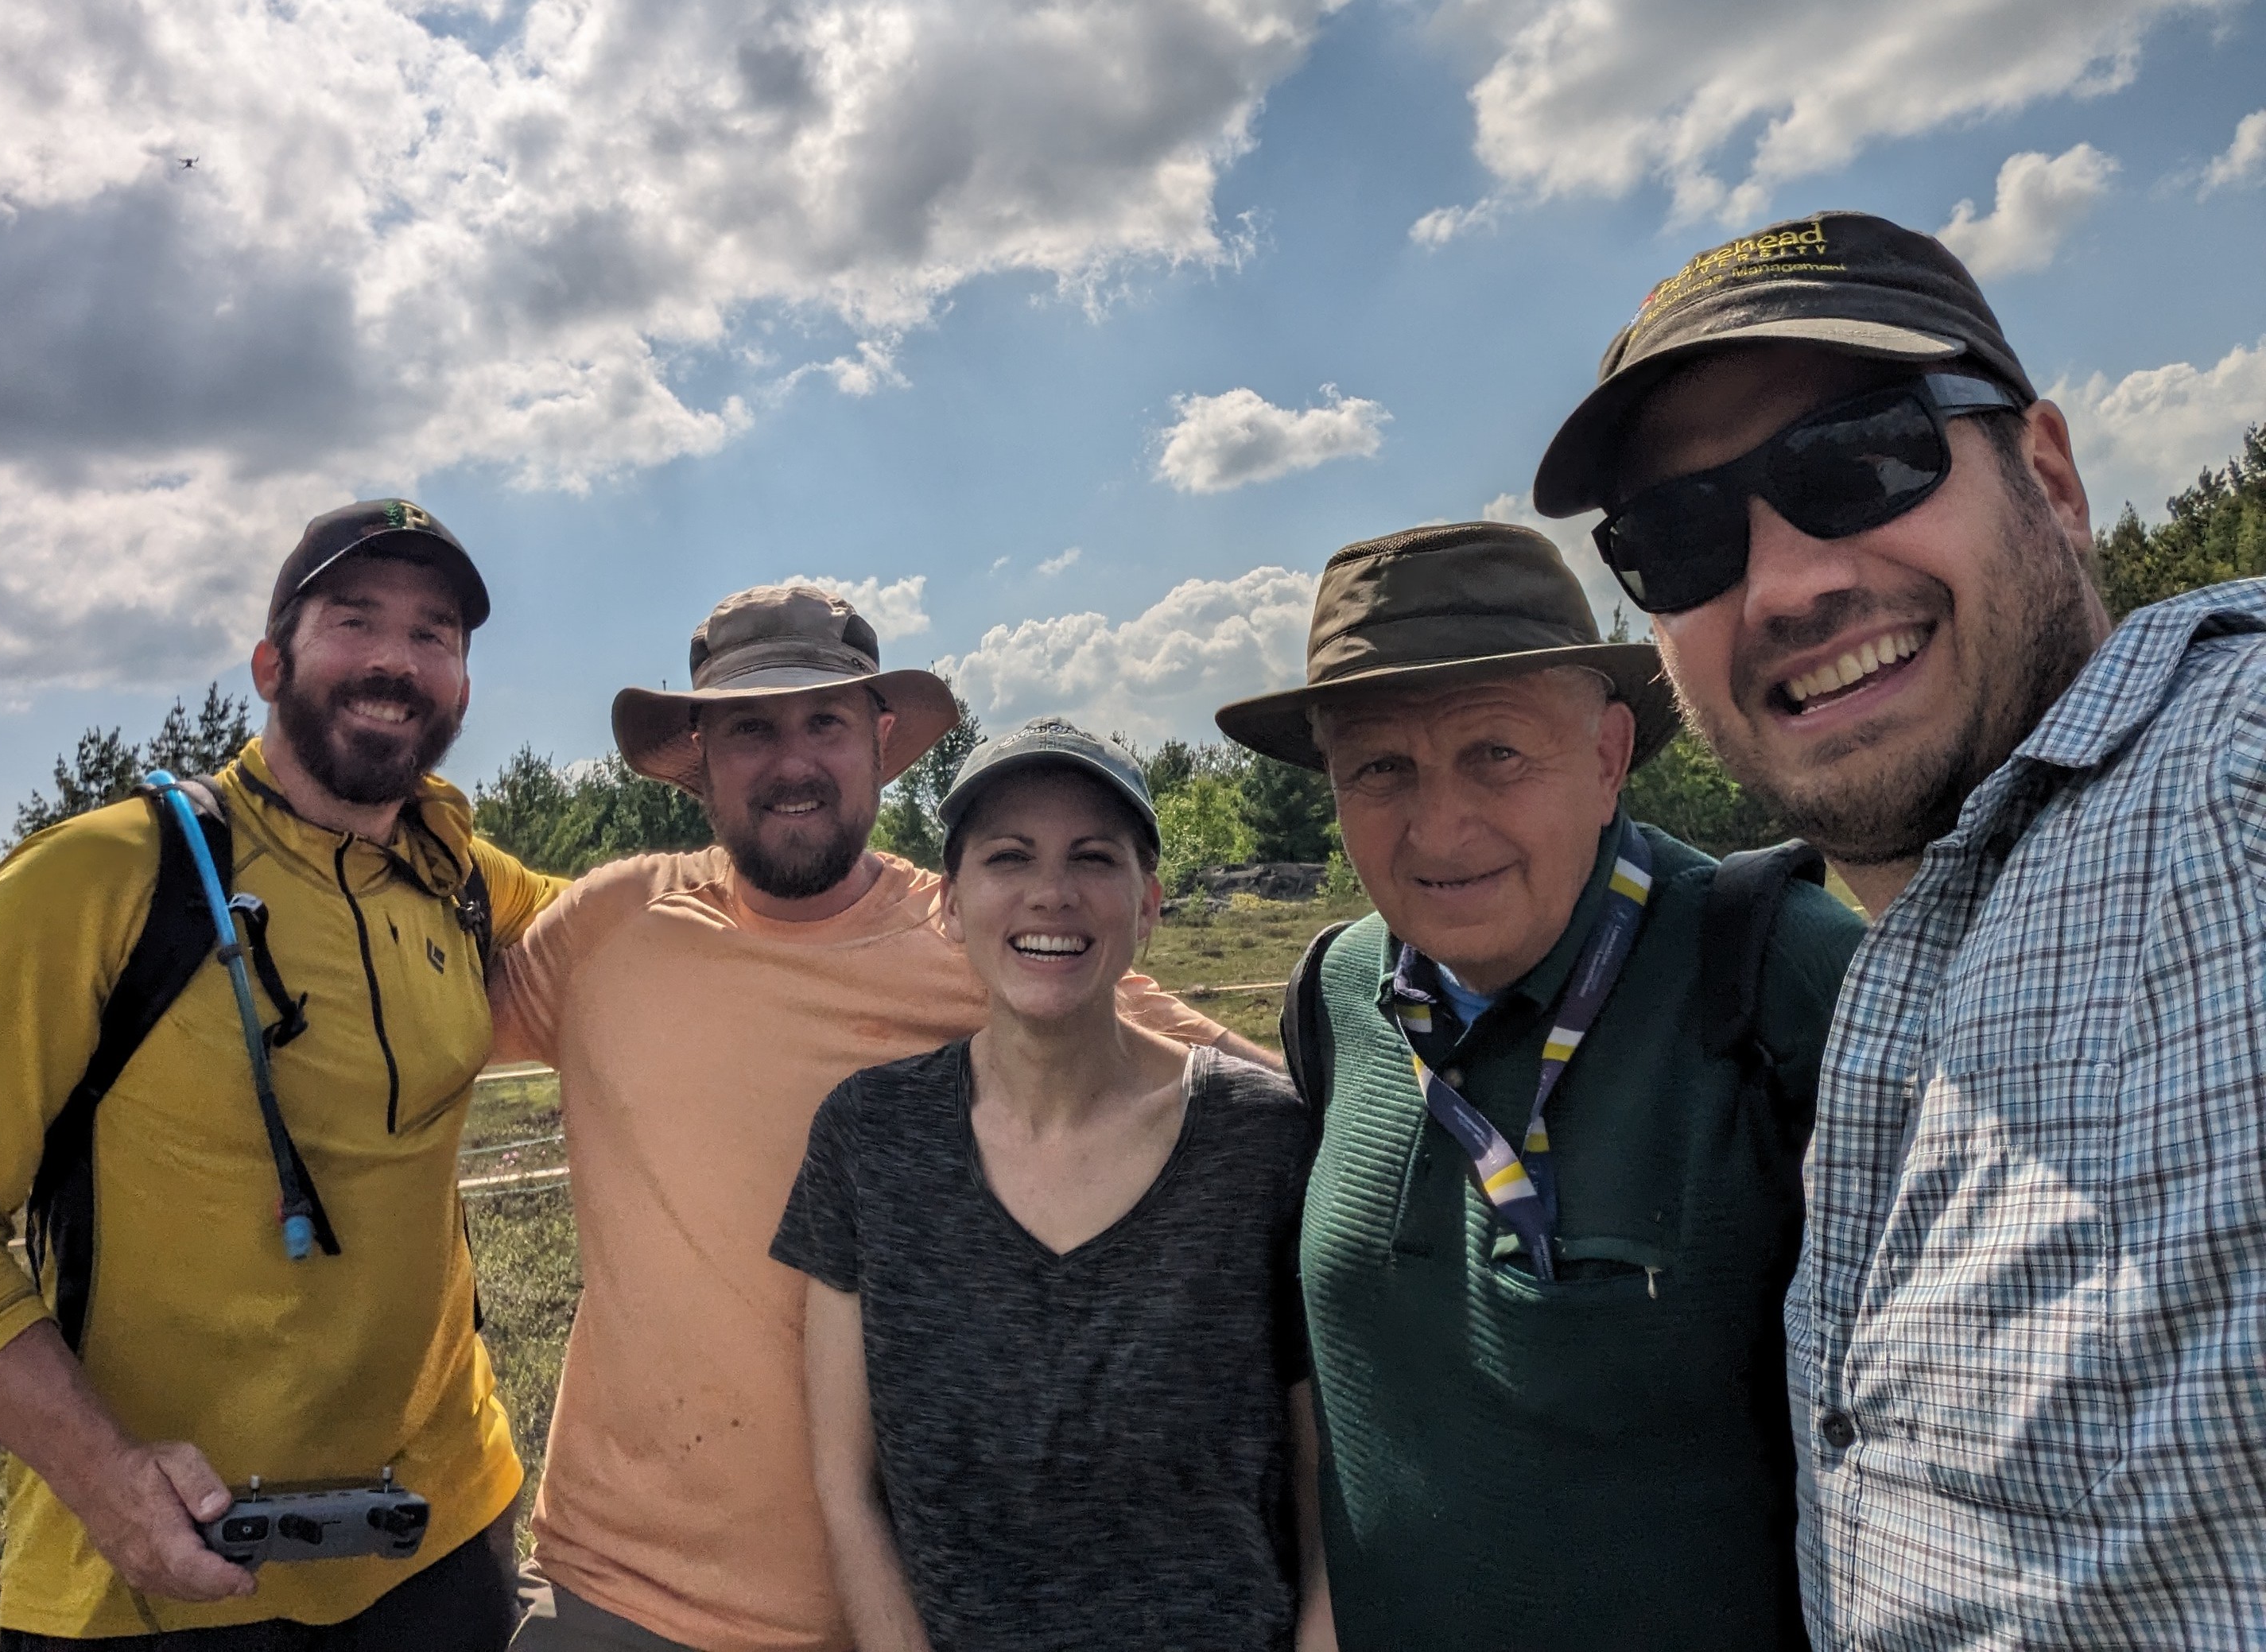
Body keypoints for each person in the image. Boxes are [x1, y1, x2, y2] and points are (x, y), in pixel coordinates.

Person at [1534, 208, 2266, 1646]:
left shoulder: (2227, 778)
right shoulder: (1906, 951)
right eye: (1681, 540)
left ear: (2049, 478)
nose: (1789, 582)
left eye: (1862, 459)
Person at [0, 500, 568, 1645]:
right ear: (271, 661)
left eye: (436, 634)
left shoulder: (458, 875)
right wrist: (106, 1476)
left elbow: (658, 932)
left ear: (464, 686)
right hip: (166, 1569)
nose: (394, 658)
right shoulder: (105, 878)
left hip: (445, 1531)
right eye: (353, 618)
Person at [488, 586, 1269, 1652]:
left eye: (826, 721)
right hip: (617, 1586)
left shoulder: (978, 929)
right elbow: (402, 1041)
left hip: (895, 1601)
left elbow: (1232, 1080)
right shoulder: (608, 927)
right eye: (752, 727)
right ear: (701, 754)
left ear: (880, 740)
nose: (793, 759)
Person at [1213, 522, 1861, 1650]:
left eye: (1496, 753)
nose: (1440, 824)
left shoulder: (1780, 977)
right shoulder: (1333, 991)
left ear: (1609, 756)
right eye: (1380, 767)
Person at [770, 719, 1333, 1652]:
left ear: (1147, 903)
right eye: (1008, 856)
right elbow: (846, 1485)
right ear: (950, 901)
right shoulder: (870, 1138)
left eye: (1093, 857)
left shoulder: (1261, 1140)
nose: (1051, 892)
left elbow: (1327, 1489)